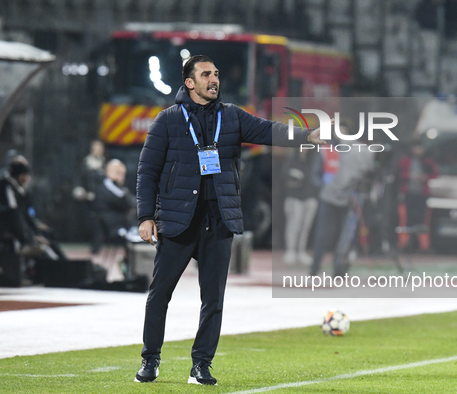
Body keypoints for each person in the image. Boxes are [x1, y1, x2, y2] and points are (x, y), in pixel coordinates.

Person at [135, 55, 322, 385]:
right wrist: (146, 216)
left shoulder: (232, 117)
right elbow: (147, 172)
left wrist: (304, 136)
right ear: (190, 83)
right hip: (179, 220)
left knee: (213, 299)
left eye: (217, 74)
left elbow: (268, 130)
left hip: (218, 220)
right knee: (160, 293)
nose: (214, 79)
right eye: (206, 74)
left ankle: (201, 365)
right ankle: (150, 360)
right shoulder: (167, 121)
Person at [310, 125, 376, 278]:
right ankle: (314, 269)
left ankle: (339, 271)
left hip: (348, 200)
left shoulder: (356, 150)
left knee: (345, 237)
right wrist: (323, 188)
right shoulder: (326, 150)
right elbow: (315, 173)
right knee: (323, 235)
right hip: (328, 199)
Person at [92, 159, 135, 281]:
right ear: (108, 172)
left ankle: (133, 269)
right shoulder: (106, 187)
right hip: (112, 228)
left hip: (123, 224)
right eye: (118, 173)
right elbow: (125, 201)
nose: (121, 176)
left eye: (123, 173)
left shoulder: (120, 188)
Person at [397, 141, 438, 251]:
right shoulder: (405, 161)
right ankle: (404, 245)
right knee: (406, 220)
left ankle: (424, 246)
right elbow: (399, 173)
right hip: (408, 194)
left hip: (422, 195)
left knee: (422, 220)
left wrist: (425, 177)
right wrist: (409, 176)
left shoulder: (427, 162)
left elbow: (434, 173)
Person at [282, 149, 320, 265]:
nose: (305, 149)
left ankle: (301, 251)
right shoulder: (291, 161)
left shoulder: (314, 161)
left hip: (310, 198)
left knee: (305, 227)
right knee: (294, 225)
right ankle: (291, 250)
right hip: (295, 197)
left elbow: (318, 177)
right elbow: (284, 176)